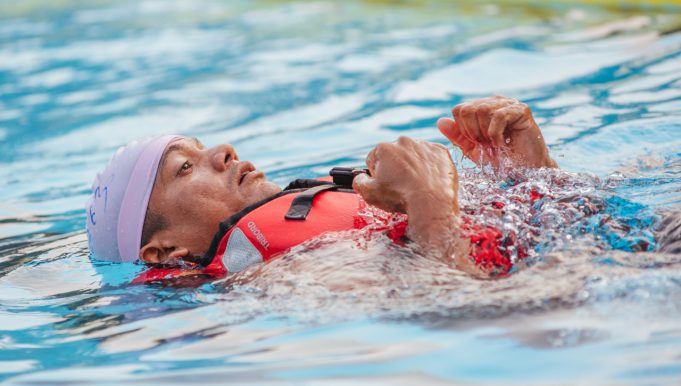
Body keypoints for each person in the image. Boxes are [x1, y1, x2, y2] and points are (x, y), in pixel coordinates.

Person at [86, 96, 557, 279]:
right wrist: (429, 200)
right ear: (165, 251)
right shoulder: (277, 281)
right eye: (185, 168)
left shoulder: (308, 209)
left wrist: (528, 167)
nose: (223, 151)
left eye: (202, 146)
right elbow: (464, 308)